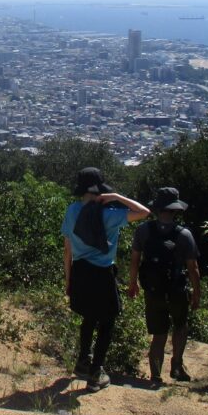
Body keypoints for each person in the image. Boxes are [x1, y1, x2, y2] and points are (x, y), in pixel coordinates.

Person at [62, 167, 150, 391]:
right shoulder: (109, 214)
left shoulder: (72, 210)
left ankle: (83, 361)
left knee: (89, 318)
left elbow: (67, 249)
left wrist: (68, 280)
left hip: (80, 270)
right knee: (107, 321)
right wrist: (117, 197)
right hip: (102, 272)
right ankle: (96, 371)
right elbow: (144, 212)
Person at [127, 187, 201, 383]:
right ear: (176, 210)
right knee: (180, 326)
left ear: (158, 208)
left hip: (152, 290)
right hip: (176, 289)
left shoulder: (143, 230)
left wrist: (132, 283)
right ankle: (176, 365)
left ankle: (156, 375)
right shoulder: (184, 235)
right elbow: (193, 268)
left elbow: (135, 260)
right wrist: (196, 294)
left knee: (158, 334)